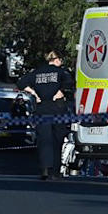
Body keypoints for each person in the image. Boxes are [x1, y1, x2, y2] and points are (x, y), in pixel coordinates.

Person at [18, 50, 72, 180]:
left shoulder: (37, 72)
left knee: (44, 140)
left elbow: (21, 83)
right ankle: (55, 170)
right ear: (56, 59)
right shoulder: (60, 72)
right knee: (57, 140)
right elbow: (70, 82)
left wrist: (34, 93)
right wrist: (60, 91)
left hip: (42, 108)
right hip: (57, 108)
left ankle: (45, 169)